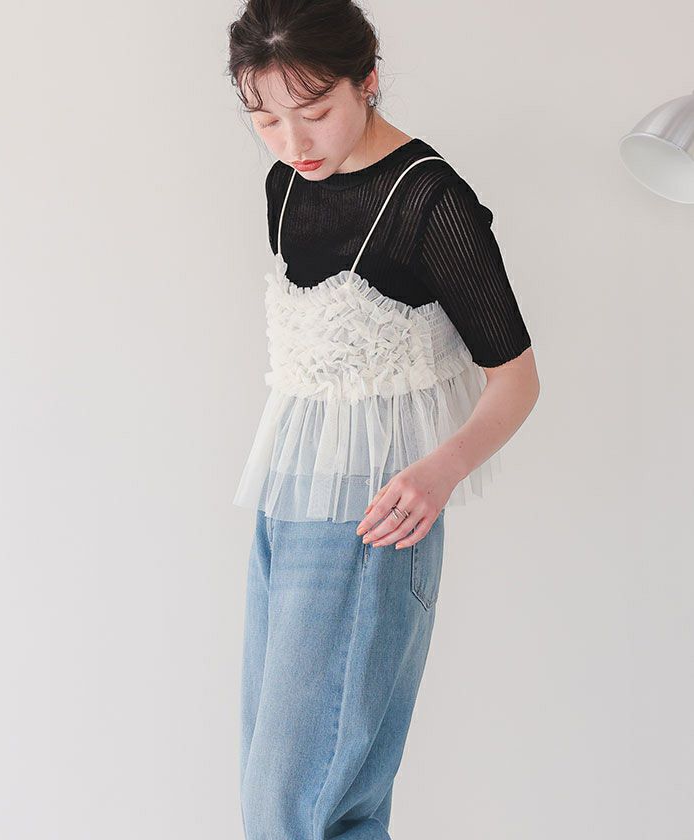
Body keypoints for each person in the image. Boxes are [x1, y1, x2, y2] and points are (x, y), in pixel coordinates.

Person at [227, 1, 540, 837]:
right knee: (300, 796)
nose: (294, 141)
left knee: (293, 807)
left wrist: (439, 473)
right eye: (265, 118)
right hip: (285, 502)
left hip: (372, 518)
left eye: (315, 110)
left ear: (366, 80)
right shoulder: (286, 186)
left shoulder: (431, 202)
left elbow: (516, 380)